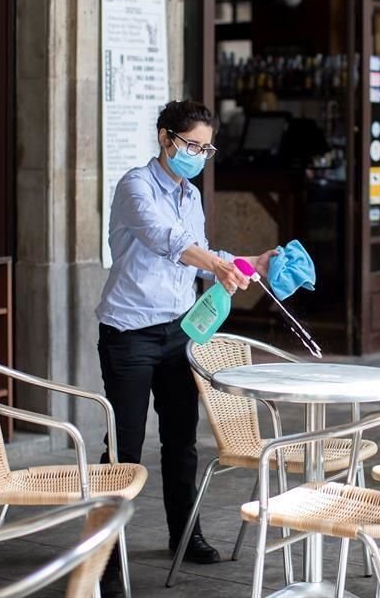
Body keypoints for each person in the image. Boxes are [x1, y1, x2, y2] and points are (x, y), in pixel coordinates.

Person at [96, 100, 276, 595]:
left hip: (180, 332)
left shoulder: (190, 195)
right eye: (191, 145)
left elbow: (200, 259)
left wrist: (249, 262)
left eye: (206, 147)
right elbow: (165, 239)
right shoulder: (136, 185)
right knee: (124, 446)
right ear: (165, 137)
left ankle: (185, 534)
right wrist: (217, 265)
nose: (198, 154)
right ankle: (106, 556)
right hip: (129, 332)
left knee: (181, 441)